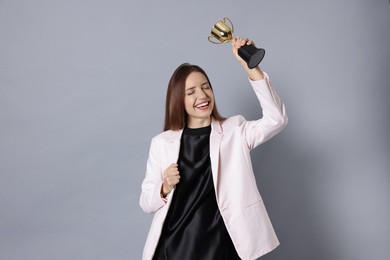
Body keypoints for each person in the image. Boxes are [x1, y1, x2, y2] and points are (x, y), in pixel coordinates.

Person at [140, 37, 288, 260]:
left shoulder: (235, 130)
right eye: (190, 92)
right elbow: (146, 202)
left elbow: (276, 120)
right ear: (178, 99)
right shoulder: (161, 143)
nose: (202, 95)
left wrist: (250, 65)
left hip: (221, 246)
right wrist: (164, 186)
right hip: (175, 248)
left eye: (206, 87)